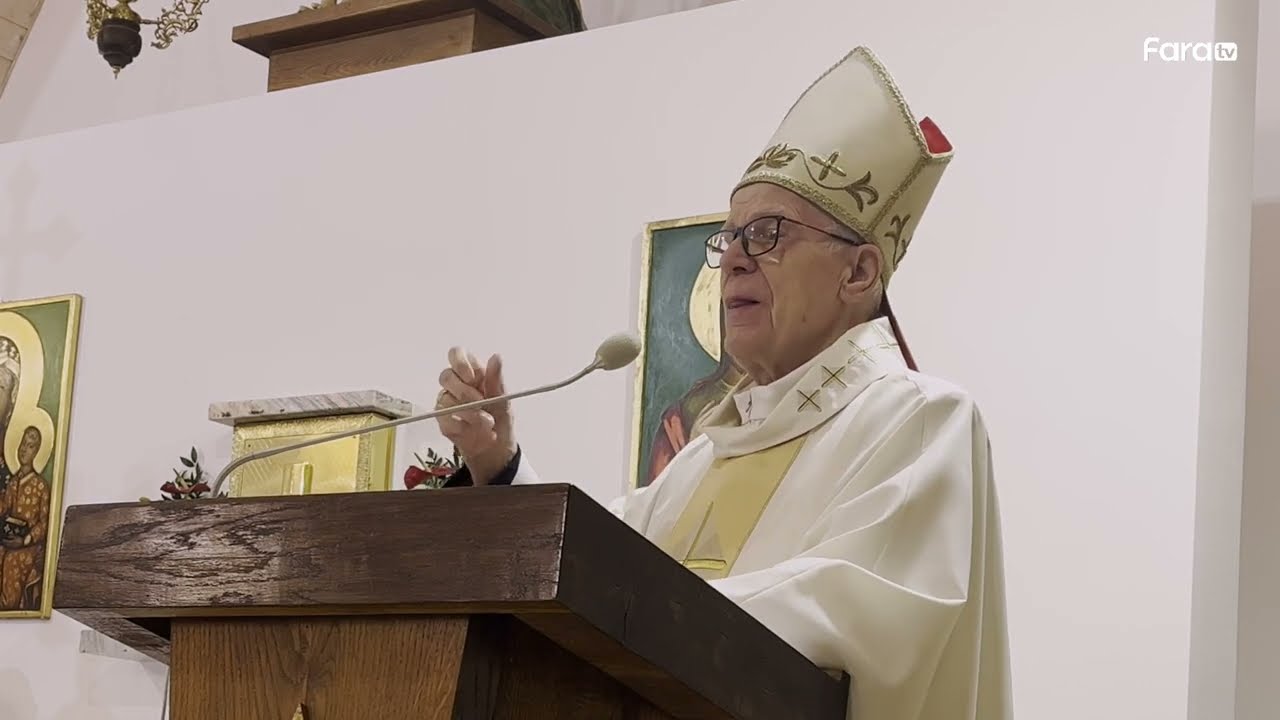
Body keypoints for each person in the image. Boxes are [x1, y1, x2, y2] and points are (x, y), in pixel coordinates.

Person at [432, 47, 1012, 720]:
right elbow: (594, 561)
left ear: (858, 273)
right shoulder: (711, 452)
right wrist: (498, 466)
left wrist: (636, 605)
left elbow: (849, 613)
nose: (733, 258)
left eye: (767, 234)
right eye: (729, 236)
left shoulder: (918, 423)